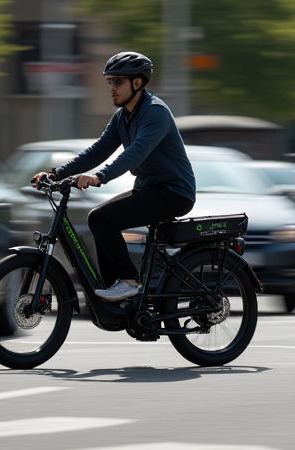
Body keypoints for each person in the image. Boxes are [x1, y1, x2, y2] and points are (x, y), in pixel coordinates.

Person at [32, 51, 196, 302]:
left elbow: (135, 153)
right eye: (110, 82)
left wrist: (100, 176)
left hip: (174, 193)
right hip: (149, 189)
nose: (112, 88)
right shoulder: (123, 117)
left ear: (137, 83)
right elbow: (97, 150)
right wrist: (56, 173)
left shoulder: (155, 113)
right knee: (99, 218)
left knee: (101, 219)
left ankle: (128, 281)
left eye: (118, 82)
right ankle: (115, 295)